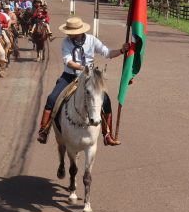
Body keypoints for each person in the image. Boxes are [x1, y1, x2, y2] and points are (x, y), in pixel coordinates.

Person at [37, 16, 129, 147]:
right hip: (70, 76)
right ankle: (44, 130)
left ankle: (107, 134)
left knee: (106, 100)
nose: (70, 35)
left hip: (90, 77)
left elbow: (107, 52)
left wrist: (121, 50)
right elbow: (68, 61)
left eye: (73, 33)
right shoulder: (66, 42)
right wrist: (81, 68)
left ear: (81, 31)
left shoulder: (92, 40)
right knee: (52, 98)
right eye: (69, 33)